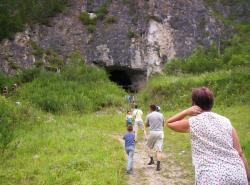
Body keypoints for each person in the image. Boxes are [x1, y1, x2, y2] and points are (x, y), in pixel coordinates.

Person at [167, 87, 250, 184]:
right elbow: (239, 152)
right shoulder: (226, 121)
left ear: (194, 104)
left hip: (211, 177)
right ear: (212, 103)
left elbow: (170, 123)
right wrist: (248, 177)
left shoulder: (193, 122)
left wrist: (186, 111)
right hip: (237, 174)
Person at [145, 104, 165, 171]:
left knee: (148, 146)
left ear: (150, 109)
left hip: (152, 132)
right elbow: (163, 124)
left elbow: (146, 125)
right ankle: (158, 166)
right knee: (159, 150)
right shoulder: (161, 115)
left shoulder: (149, 115)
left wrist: (151, 124)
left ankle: (151, 160)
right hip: (160, 133)